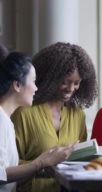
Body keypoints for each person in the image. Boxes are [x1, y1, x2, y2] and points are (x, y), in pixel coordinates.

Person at [11, 42, 97, 192]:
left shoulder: (77, 116)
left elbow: (80, 160)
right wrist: (44, 166)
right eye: (65, 82)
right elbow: (8, 165)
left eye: (76, 83)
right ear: (50, 77)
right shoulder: (24, 113)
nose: (71, 89)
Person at [0, 52, 74, 192]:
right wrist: (40, 163)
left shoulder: (7, 121)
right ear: (17, 85)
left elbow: (12, 180)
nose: (36, 88)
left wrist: (45, 158)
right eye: (33, 81)